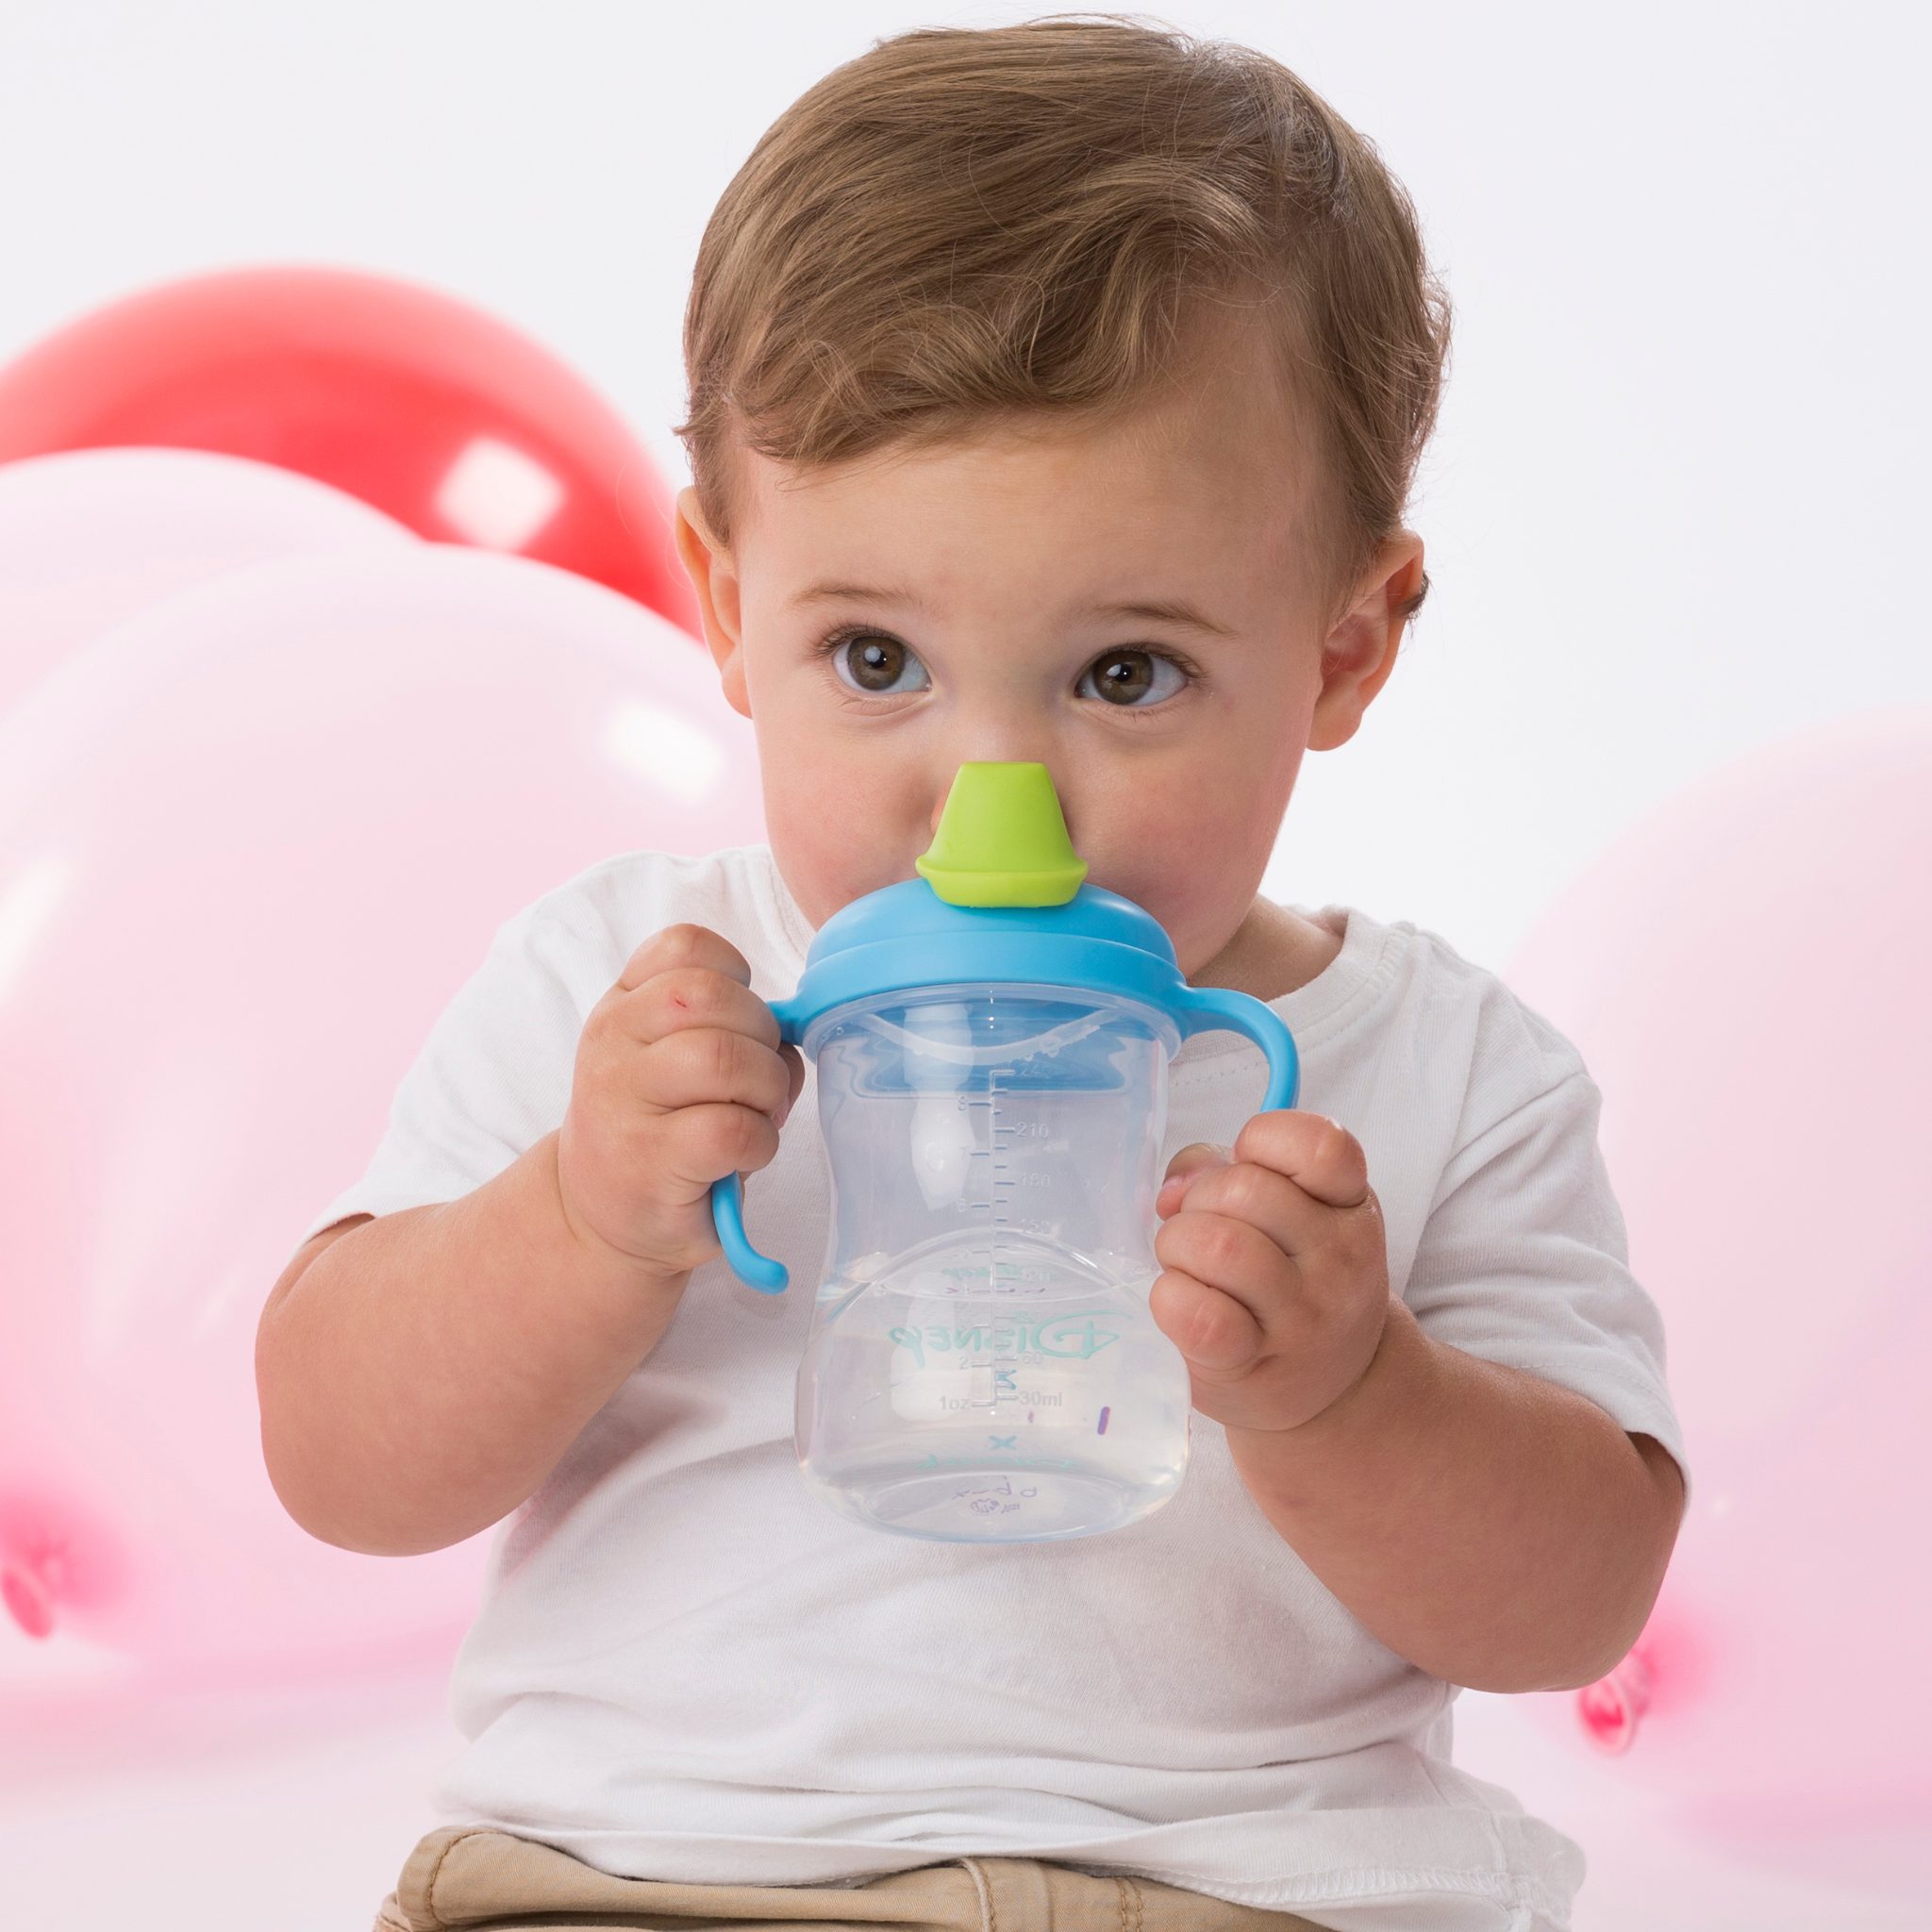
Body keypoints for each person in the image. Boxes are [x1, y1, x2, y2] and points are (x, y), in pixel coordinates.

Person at [256, 20, 1685, 1932]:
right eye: (874, 659)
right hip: (661, 1877)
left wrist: (1357, 1389)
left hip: (1242, 1894)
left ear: (1342, 649)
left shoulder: (1434, 1071)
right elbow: (340, 1463)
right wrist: (580, 1221)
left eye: (1124, 674)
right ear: (726, 601)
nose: (991, 804)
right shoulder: (632, 993)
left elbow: (1575, 1603)